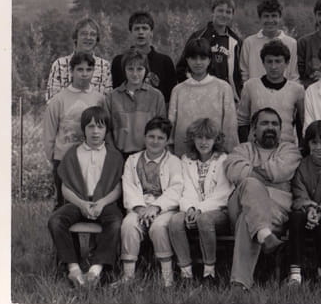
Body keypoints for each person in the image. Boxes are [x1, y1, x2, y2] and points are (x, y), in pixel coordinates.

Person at [224, 108, 302, 291]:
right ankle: (266, 236)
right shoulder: (241, 150)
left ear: (280, 129)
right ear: (253, 128)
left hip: (275, 211)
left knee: (247, 217)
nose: (270, 127)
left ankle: (240, 282)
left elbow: (279, 171)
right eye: (264, 123)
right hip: (240, 205)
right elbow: (235, 172)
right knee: (250, 185)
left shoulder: (290, 150)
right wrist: (266, 178)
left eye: (275, 124)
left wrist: (250, 171)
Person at [47, 106, 123, 288]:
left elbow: (118, 188)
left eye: (100, 127)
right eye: (91, 126)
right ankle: (73, 269)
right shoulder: (73, 154)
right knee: (56, 220)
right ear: (84, 129)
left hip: (104, 202)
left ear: (106, 130)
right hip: (78, 202)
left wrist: (102, 203)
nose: (95, 131)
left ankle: (96, 270)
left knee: (115, 222)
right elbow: (65, 187)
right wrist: (81, 204)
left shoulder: (114, 156)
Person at [116, 117, 183, 287]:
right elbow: (129, 185)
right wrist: (139, 208)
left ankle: (167, 277)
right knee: (129, 225)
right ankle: (128, 276)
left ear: (167, 141)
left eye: (160, 138)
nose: (155, 141)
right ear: (145, 137)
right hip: (139, 206)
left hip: (165, 208)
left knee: (159, 227)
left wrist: (156, 207)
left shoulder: (174, 162)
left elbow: (176, 188)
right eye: (151, 136)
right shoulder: (132, 160)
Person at [168, 118, 234, 286]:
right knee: (175, 220)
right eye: (199, 137)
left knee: (204, 219)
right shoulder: (186, 160)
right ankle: (186, 273)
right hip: (192, 208)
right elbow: (186, 189)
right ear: (193, 138)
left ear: (216, 140)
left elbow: (223, 193)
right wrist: (190, 208)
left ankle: (209, 273)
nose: (204, 142)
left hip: (218, 212)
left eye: (208, 138)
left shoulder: (223, 160)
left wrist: (199, 210)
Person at [43, 52, 105, 208]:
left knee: (89, 203)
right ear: (71, 71)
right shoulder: (58, 100)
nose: (84, 74)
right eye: (80, 69)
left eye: (89, 69)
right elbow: (49, 132)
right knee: (63, 205)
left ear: (93, 71)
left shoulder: (99, 99)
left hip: (92, 159)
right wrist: (53, 159)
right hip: (64, 159)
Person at [286, 120, 321, 286]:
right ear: (308, 143)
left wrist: (320, 211)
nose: (318, 147)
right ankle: (295, 273)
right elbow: (298, 192)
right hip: (305, 211)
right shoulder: (302, 165)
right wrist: (309, 209)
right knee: (295, 217)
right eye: (314, 143)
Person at [169, 38, 238, 157]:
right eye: (193, 58)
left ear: (210, 60)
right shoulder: (178, 90)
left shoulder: (223, 88)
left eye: (202, 58)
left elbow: (230, 126)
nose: (198, 62)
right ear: (187, 60)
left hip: (215, 155)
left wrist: (228, 154)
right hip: (184, 155)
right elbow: (171, 124)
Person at [237, 39, 305, 146]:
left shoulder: (297, 90)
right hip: (256, 147)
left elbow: (301, 123)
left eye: (278, 61)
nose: (273, 66)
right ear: (263, 63)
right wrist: (246, 147)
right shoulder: (250, 86)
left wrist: (302, 148)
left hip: (286, 148)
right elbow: (242, 121)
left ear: (287, 63)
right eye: (269, 61)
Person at [176, 0, 243, 101]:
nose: (224, 15)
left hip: (227, 97)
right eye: (220, 10)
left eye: (228, 12)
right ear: (212, 12)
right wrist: (193, 88)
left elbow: (240, 73)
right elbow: (181, 68)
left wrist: (238, 94)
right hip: (200, 96)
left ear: (232, 15)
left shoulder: (236, 42)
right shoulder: (198, 36)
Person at [105, 49, 167, 160]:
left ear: (146, 70)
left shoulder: (156, 96)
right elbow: (107, 130)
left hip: (149, 155)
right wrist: (114, 153)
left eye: (139, 69)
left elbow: (162, 129)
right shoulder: (112, 97)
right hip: (120, 156)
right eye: (130, 69)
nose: (135, 74)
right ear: (124, 70)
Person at [111, 11, 177, 105]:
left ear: (151, 33)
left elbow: (170, 98)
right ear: (130, 33)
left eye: (145, 28)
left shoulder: (165, 62)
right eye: (136, 29)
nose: (141, 32)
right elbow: (115, 94)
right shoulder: (119, 61)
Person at [45, 17, 112, 101]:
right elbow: (51, 100)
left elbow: (108, 101)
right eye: (84, 33)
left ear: (97, 39)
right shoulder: (60, 65)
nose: (88, 37)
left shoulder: (105, 66)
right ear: (75, 37)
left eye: (93, 34)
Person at [239, 0, 299, 82]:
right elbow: (244, 74)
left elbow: (294, 75)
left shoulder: (291, 43)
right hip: (255, 90)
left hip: (284, 90)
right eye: (266, 16)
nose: (270, 20)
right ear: (260, 18)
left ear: (280, 17)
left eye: (274, 16)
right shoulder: (249, 43)